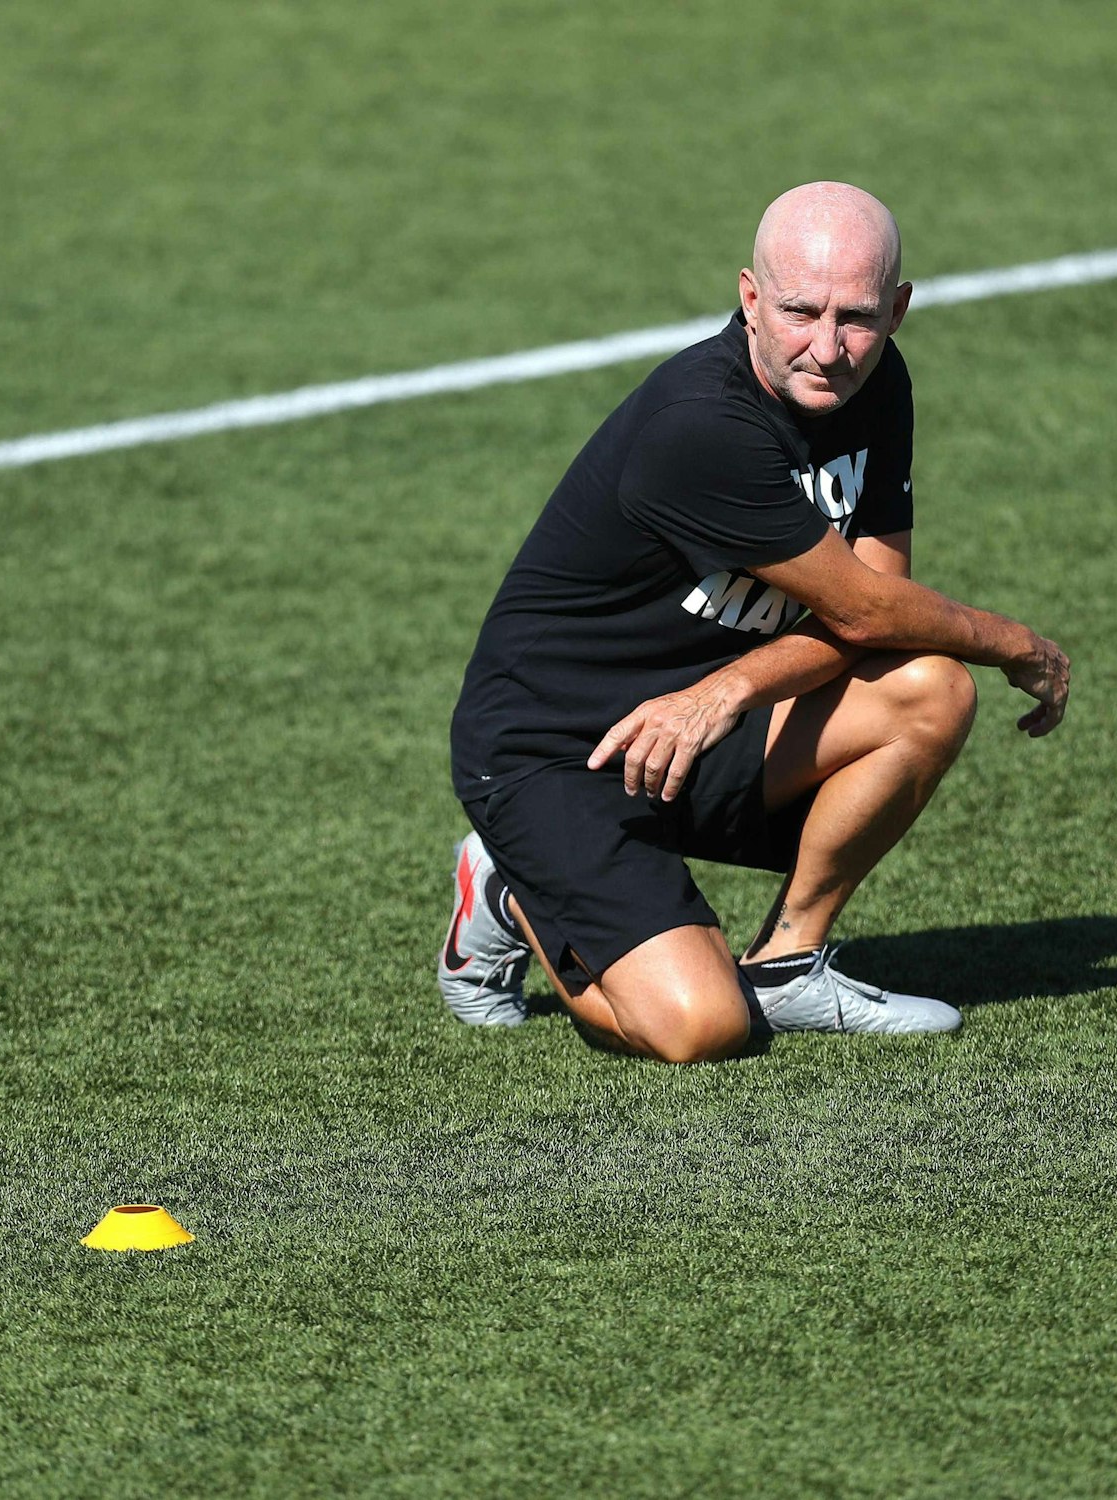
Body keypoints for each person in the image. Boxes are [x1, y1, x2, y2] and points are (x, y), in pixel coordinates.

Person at [439, 182, 1070, 1063]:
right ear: (749, 298)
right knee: (702, 1027)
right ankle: (512, 886)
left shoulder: (878, 382)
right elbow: (866, 609)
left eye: (857, 317)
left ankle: (787, 963)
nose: (828, 348)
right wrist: (1018, 644)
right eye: (800, 311)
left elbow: (878, 606)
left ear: (897, 309)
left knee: (930, 691)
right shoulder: (701, 426)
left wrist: (725, 690)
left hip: (702, 720)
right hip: (554, 749)